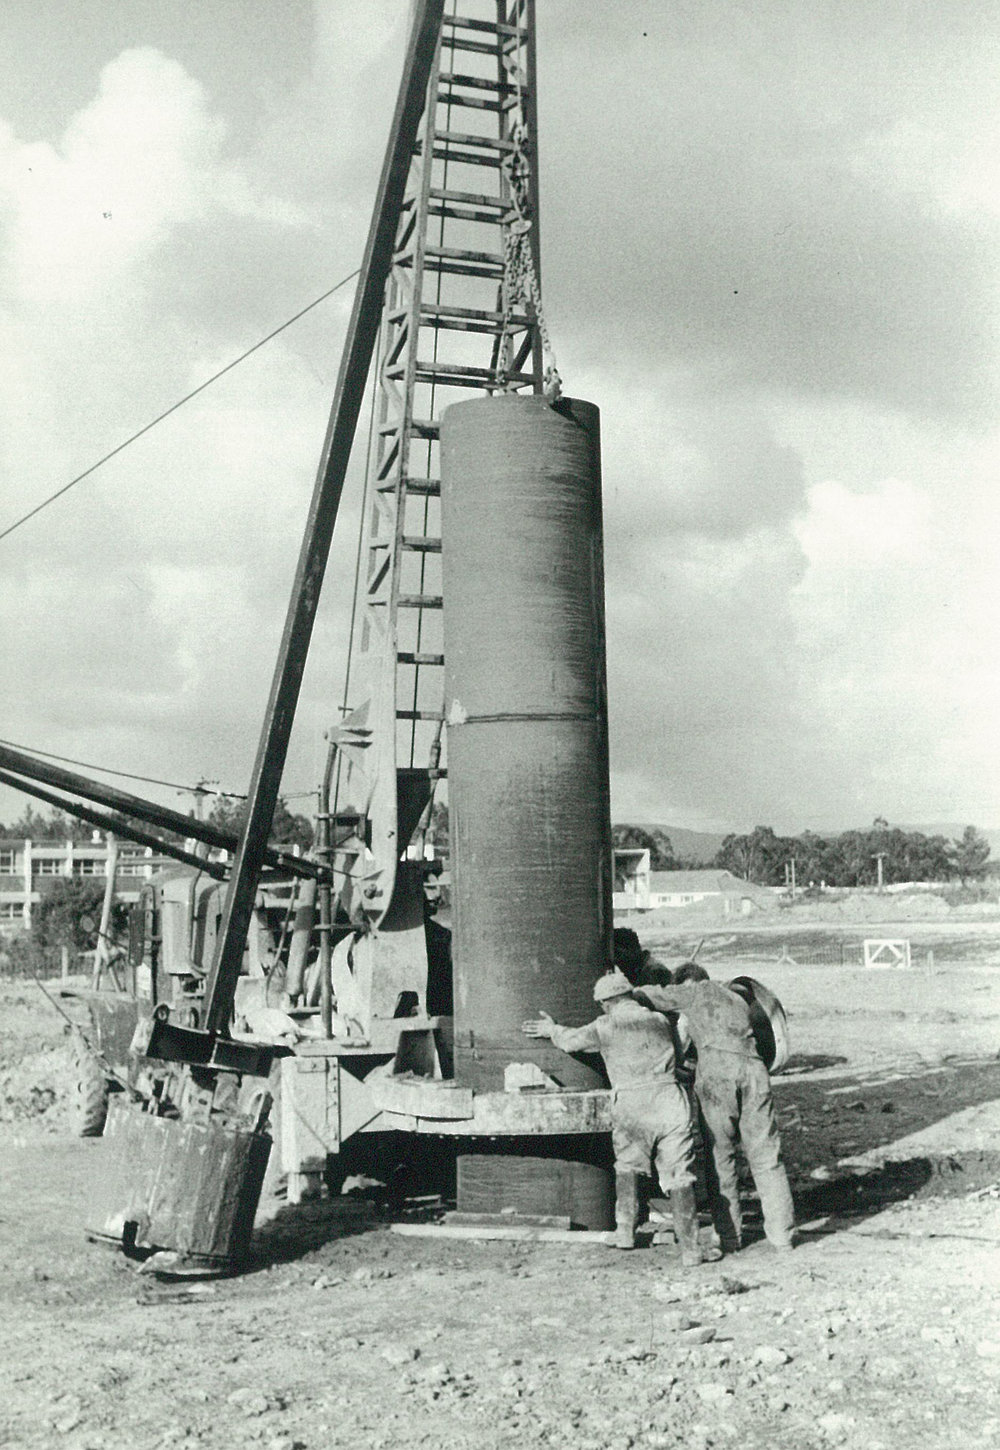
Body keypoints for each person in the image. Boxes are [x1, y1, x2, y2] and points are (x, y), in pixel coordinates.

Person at [522, 969, 714, 1264]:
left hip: (632, 1103)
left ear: (606, 1002)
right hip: (669, 1100)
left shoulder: (605, 1024)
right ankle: (690, 1250)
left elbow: (572, 1041)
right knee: (680, 1174)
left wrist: (552, 1029)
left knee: (628, 1166)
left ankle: (625, 1232)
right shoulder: (661, 1021)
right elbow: (677, 1053)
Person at [633, 964, 795, 1252]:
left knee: (720, 1157)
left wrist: (622, 990)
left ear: (687, 983)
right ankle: (782, 1236)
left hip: (719, 1074)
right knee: (767, 1156)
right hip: (756, 1071)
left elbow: (651, 996)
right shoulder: (736, 996)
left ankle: (730, 1237)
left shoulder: (694, 993)